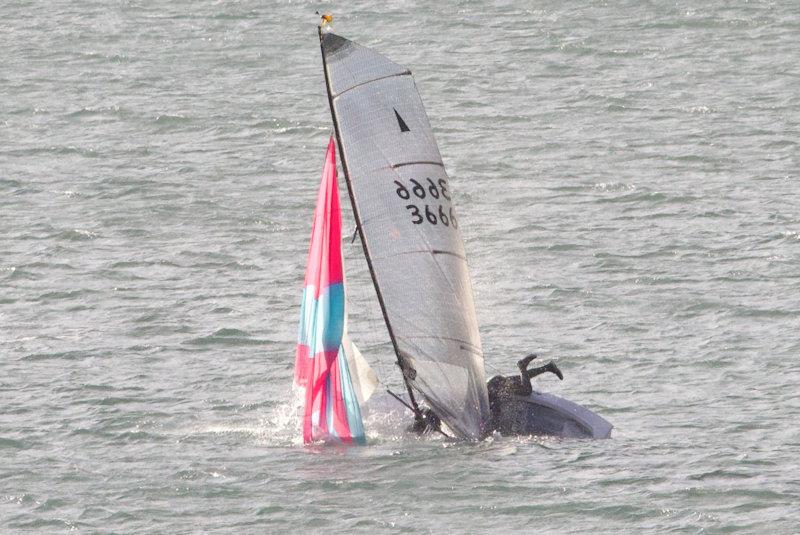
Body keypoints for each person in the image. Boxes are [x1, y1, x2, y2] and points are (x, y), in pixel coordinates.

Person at [485, 354, 563, 435]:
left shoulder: (490, 409)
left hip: (494, 388)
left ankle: (522, 367)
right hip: (492, 383)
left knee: (526, 391)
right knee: (523, 378)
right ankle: (548, 367)